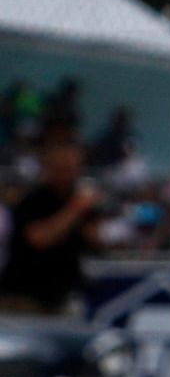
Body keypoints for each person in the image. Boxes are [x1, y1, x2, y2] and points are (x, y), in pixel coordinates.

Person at [2, 132, 105, 314]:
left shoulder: (77, 199)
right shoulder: (34, 200)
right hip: (25, 298)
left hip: (63, 296)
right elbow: (38, 238)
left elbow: (93, 241)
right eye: (63, 167)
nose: (69, 173)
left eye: (74, 167)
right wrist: (75, 209)